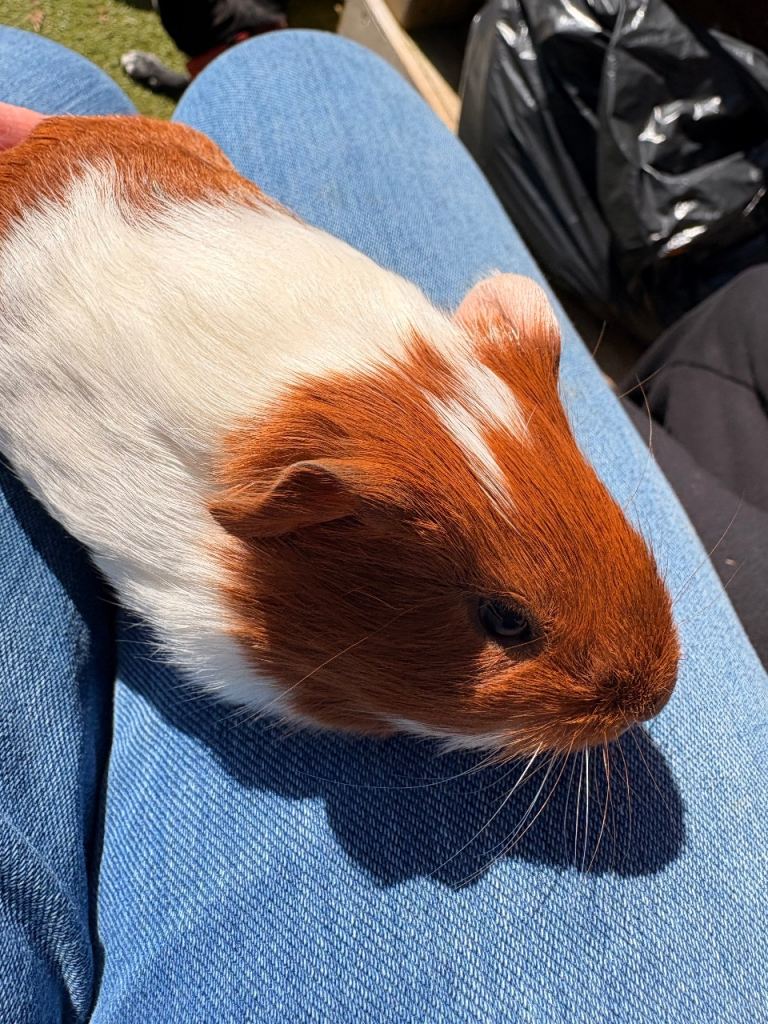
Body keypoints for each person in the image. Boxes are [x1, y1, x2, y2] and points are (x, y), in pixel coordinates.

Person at [0, 25, 765, 1024]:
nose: (642, 692)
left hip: (126, 231)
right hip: (63, 259)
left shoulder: (458, 354)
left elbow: (509, 317)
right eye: (510, 628)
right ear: (311, 513)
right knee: (295, 70)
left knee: (256, 66)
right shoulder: (289, 516)